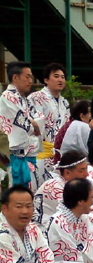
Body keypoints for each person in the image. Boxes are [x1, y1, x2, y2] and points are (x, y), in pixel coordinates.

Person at [46, 178, 93, 263]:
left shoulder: (81, 216)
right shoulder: (59, 223)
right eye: (92, 197)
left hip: (82, 262)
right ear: (80, 201)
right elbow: (73, 258)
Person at [0, 61, 43, 189]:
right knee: (16, 194)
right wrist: (33, 124)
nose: (30, 80)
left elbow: (40, 118)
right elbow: (22, 122)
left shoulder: (24, 99)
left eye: (31, 77)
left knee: (28, 194)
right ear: (15, 77)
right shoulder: (7, 97)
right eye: (27, 76)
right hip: (14, 155)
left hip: (28, 154)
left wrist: (34, 123)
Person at [28, 63, 70, 186]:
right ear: (46, 80)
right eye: (56, 76)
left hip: (58, 154)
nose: (60, 80)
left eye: (62, 77)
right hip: (40, 153)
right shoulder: (35, 98)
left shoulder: (65, 102)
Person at [33, 150, 89, 230]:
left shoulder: (72, 187)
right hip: (44, 232)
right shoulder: (55, 187)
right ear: (67, 173)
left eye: (86, 169)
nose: (87, 174)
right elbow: (76, 214)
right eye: (81, 170)